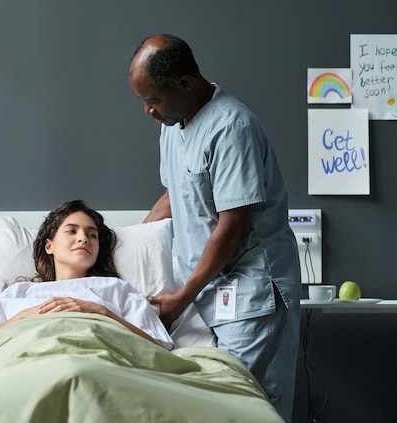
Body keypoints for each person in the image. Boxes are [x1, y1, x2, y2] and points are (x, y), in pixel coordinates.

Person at [128, 34, 301, 423]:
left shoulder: (232, 127)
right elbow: (177, 193)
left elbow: (233, 226)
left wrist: (183, 296)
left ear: (184, 84)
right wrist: (124, 243)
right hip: (211, 292)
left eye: (152, 99)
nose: (147, 110)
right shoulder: (172, 124)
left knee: (248, 408)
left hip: (251, 294)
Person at [0, 199, 173, 350]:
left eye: (92, 235)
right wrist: (22, 317)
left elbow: (158, 348)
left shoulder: (117, 289)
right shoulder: (18, 294)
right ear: (49, 246)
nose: (84, 239)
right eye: (72, 231)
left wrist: (102, 312)